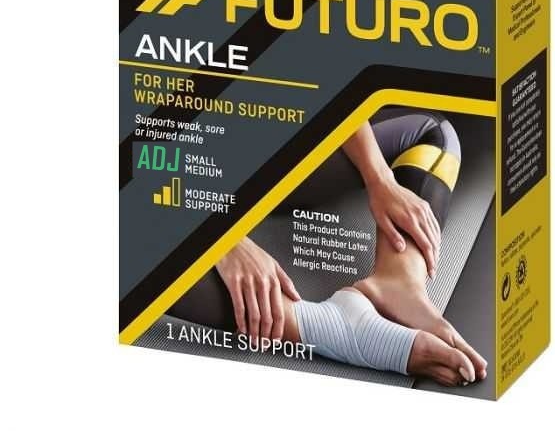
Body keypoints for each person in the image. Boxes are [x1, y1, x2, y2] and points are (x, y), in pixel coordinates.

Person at [170, 110, 487, 385]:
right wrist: (223, 239)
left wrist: (380, 178)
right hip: (180, 169)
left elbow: (330, 85)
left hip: (265, 154)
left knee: (432, 132)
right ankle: (329, 328)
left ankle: (398, 281)